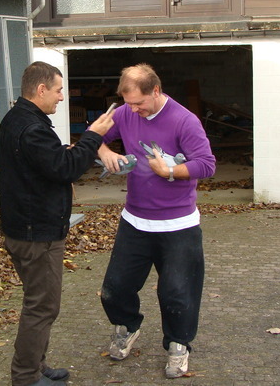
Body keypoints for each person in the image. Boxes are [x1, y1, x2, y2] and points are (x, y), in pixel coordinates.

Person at [0, 61, 114, 386]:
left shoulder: (19, 119)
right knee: (43, 307)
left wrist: (68, 151)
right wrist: (92, 136)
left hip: (26, 228)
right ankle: (26, 378)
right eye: (59, 90)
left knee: (38, 303)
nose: (62, 97)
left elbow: (45, 164)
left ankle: (35, 366)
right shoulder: (32, 127)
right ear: (41, 90)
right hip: (37, 235)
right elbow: (65, 169)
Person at [96, 63, 216, 379]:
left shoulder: (184, 121)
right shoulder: (124, 113)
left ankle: (178, 346)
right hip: (134, 221)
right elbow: (94, 136)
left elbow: (207, 164)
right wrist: (105, 150)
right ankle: (128, 326)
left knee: (177, 293)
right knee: (114, 288)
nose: (133, 110)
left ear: (156, 91)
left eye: (138, 103)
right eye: (128, 103)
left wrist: (171, 171)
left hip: (178, 226)